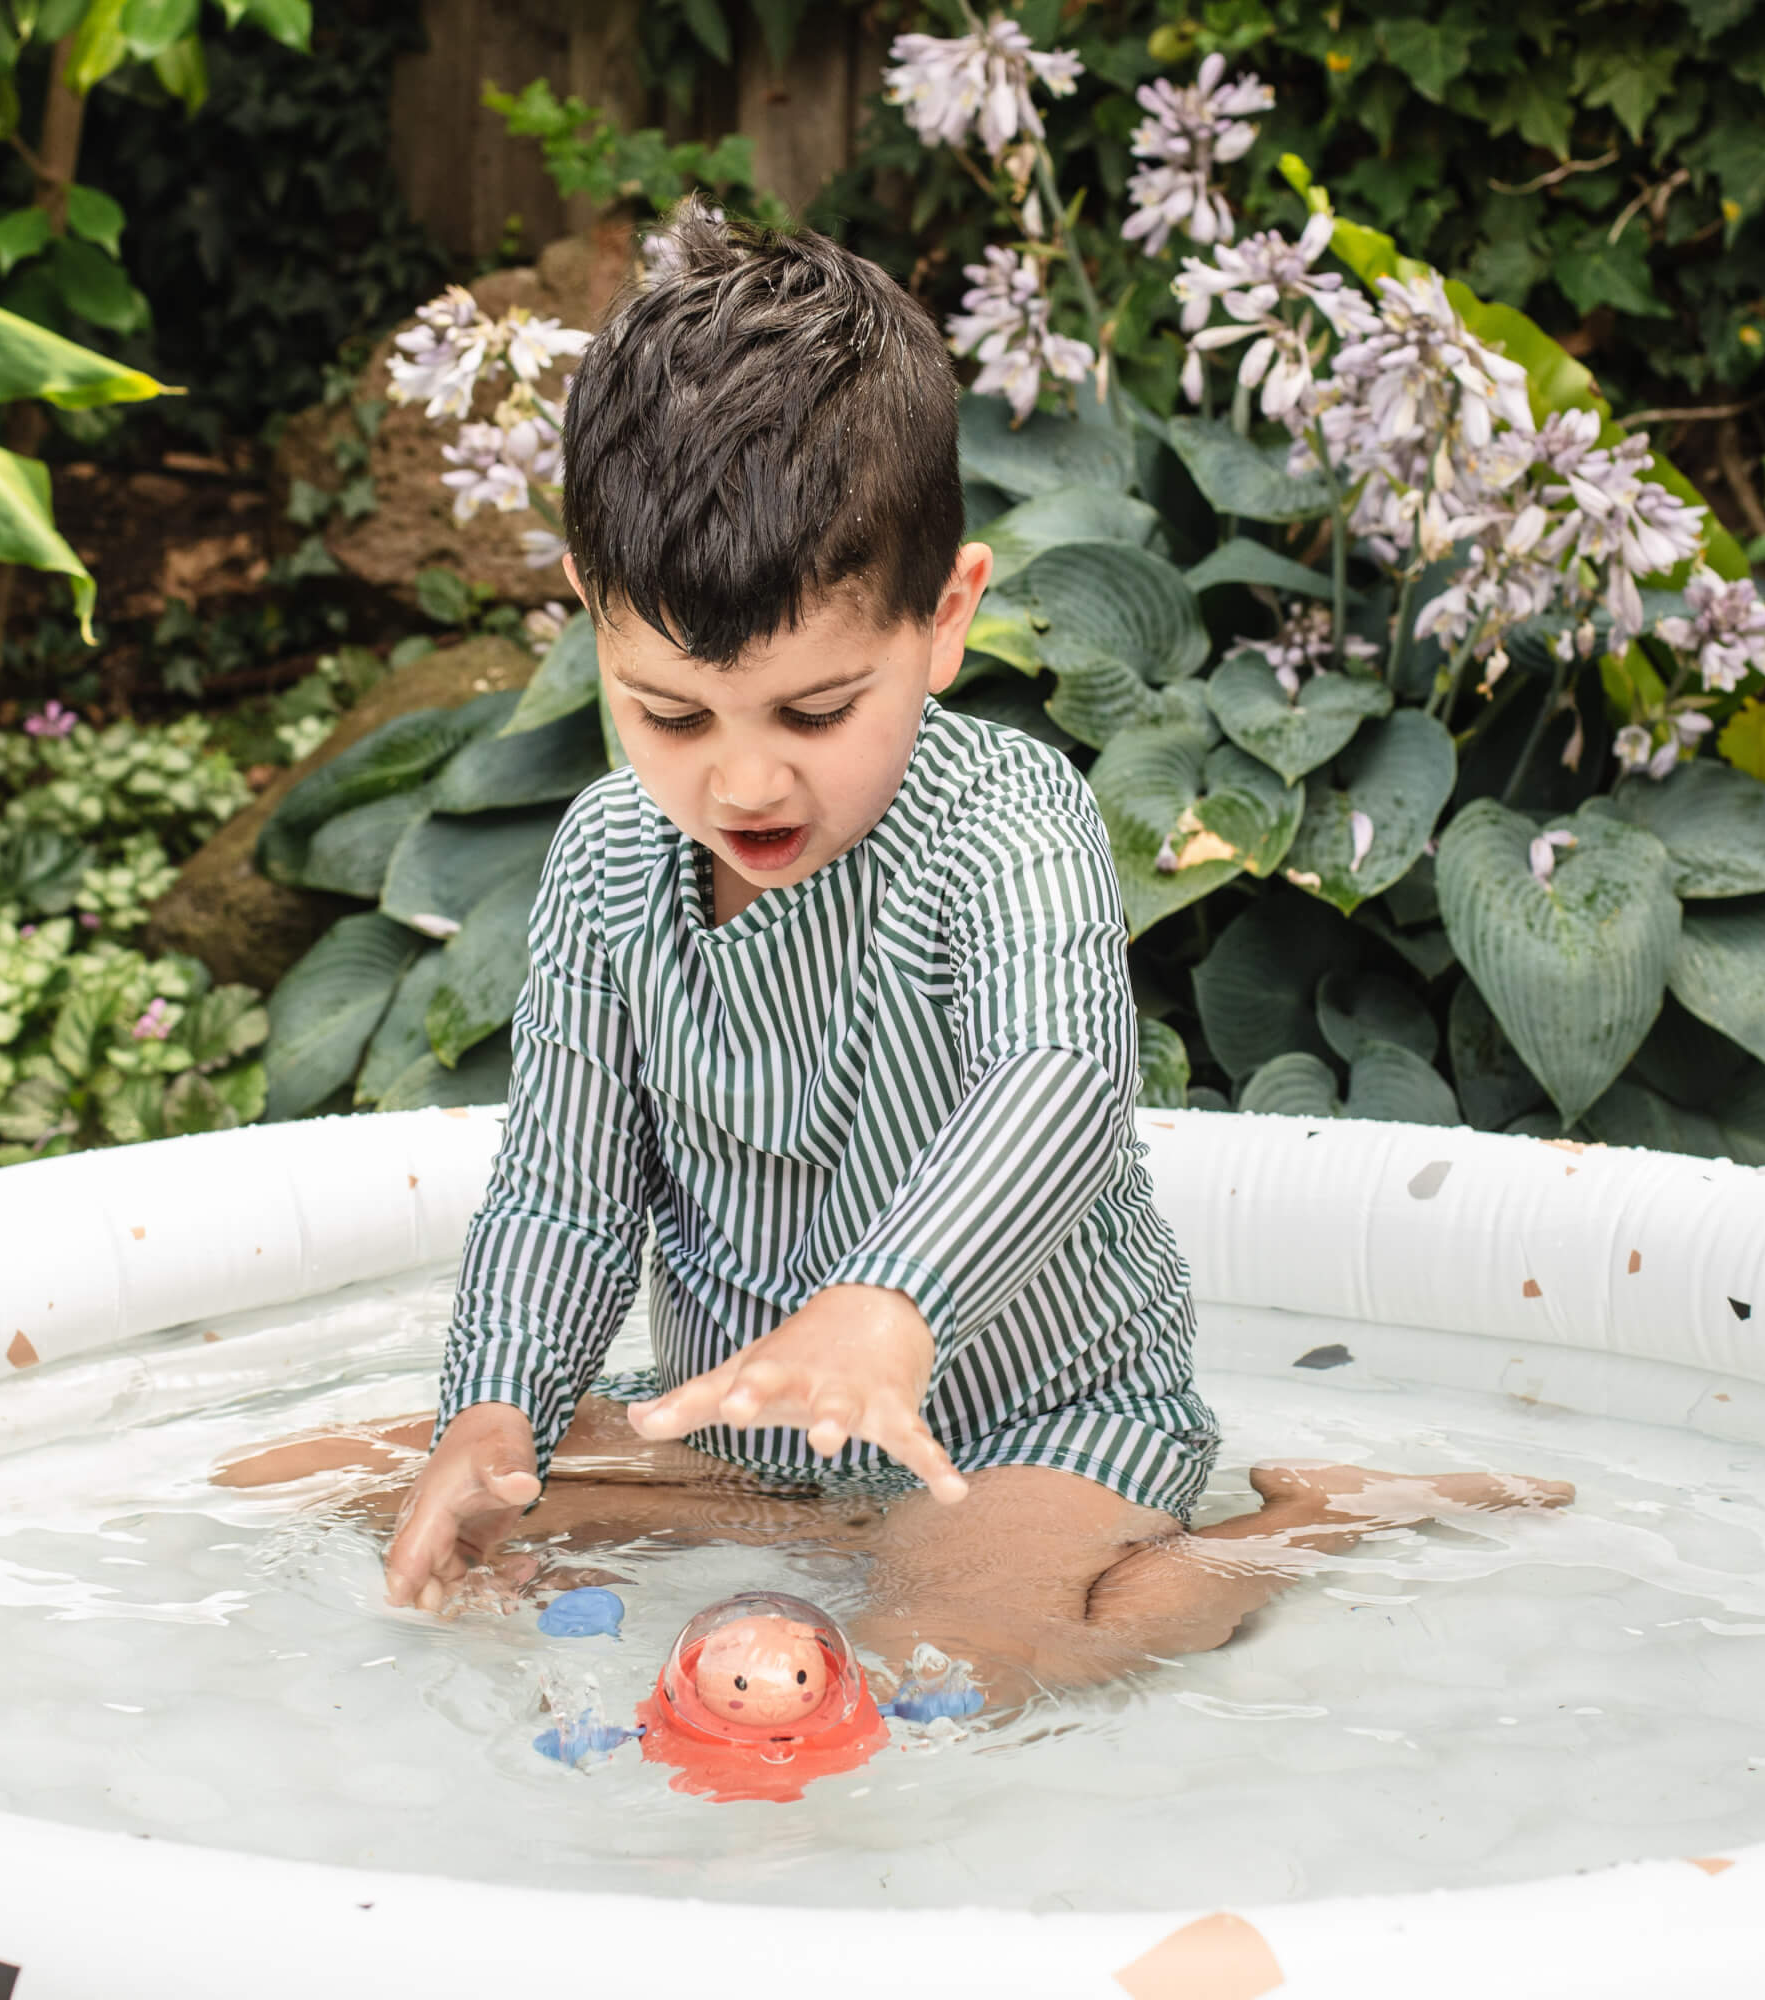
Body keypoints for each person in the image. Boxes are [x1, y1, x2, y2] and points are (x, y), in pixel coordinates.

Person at [217, 204, 1569, 1709]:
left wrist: (891, 1305)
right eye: (671, 714)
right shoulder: (606, 860)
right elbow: (563, 1195)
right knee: (303, 1491)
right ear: (594, 618)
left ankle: (1299, 1527)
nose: (743, 782)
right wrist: (493, 1413)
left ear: (944, 619)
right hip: (749, 1444)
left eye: (814, 712)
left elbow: (1059, 1086)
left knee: (943, 1680)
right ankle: (776, 1519)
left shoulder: (1006, 820)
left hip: (1028, 1429)